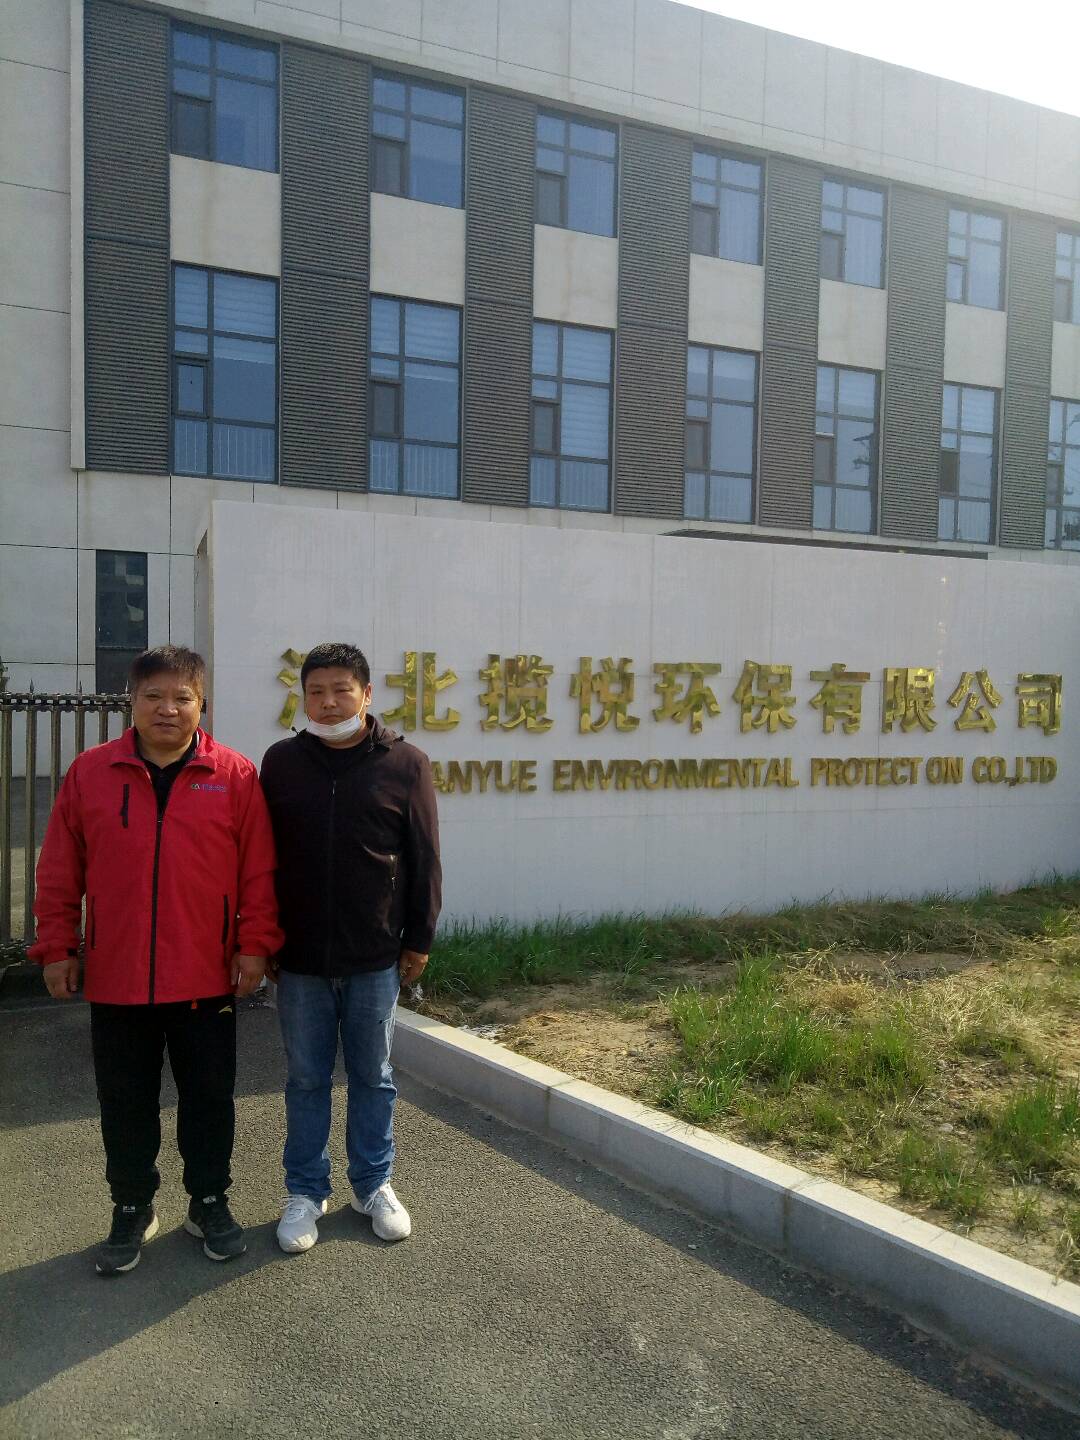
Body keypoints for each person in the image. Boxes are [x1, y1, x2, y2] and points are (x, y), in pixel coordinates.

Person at [30, 646, 282, 1275]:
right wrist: (57, 947)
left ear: (202, 704)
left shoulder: (234, 775)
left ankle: (209, 1200)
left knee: (209, 1098)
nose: (167, 709)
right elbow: (59, 869)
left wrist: (255, 945)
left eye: (182, 697)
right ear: (132, 702)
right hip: (117, 977)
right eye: (153, 696)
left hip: (205, 975)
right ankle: (131, 1205)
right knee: (125, 1101)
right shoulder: (91, 773)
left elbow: (258, 872)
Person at [259, 641, 441, 1254]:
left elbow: (424, 858)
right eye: (316, 691)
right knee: (306, 1079)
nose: (329, 702)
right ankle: (305, 1191)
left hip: (374, 957)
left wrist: (418, 938)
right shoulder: (282, 762)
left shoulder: (406, 763)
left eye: (341, 689)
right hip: (301, 959)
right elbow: (262, 857)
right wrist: (264, 938)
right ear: (303, 697)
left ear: (366, 694)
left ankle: (372, 1183)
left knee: (374, 1077)